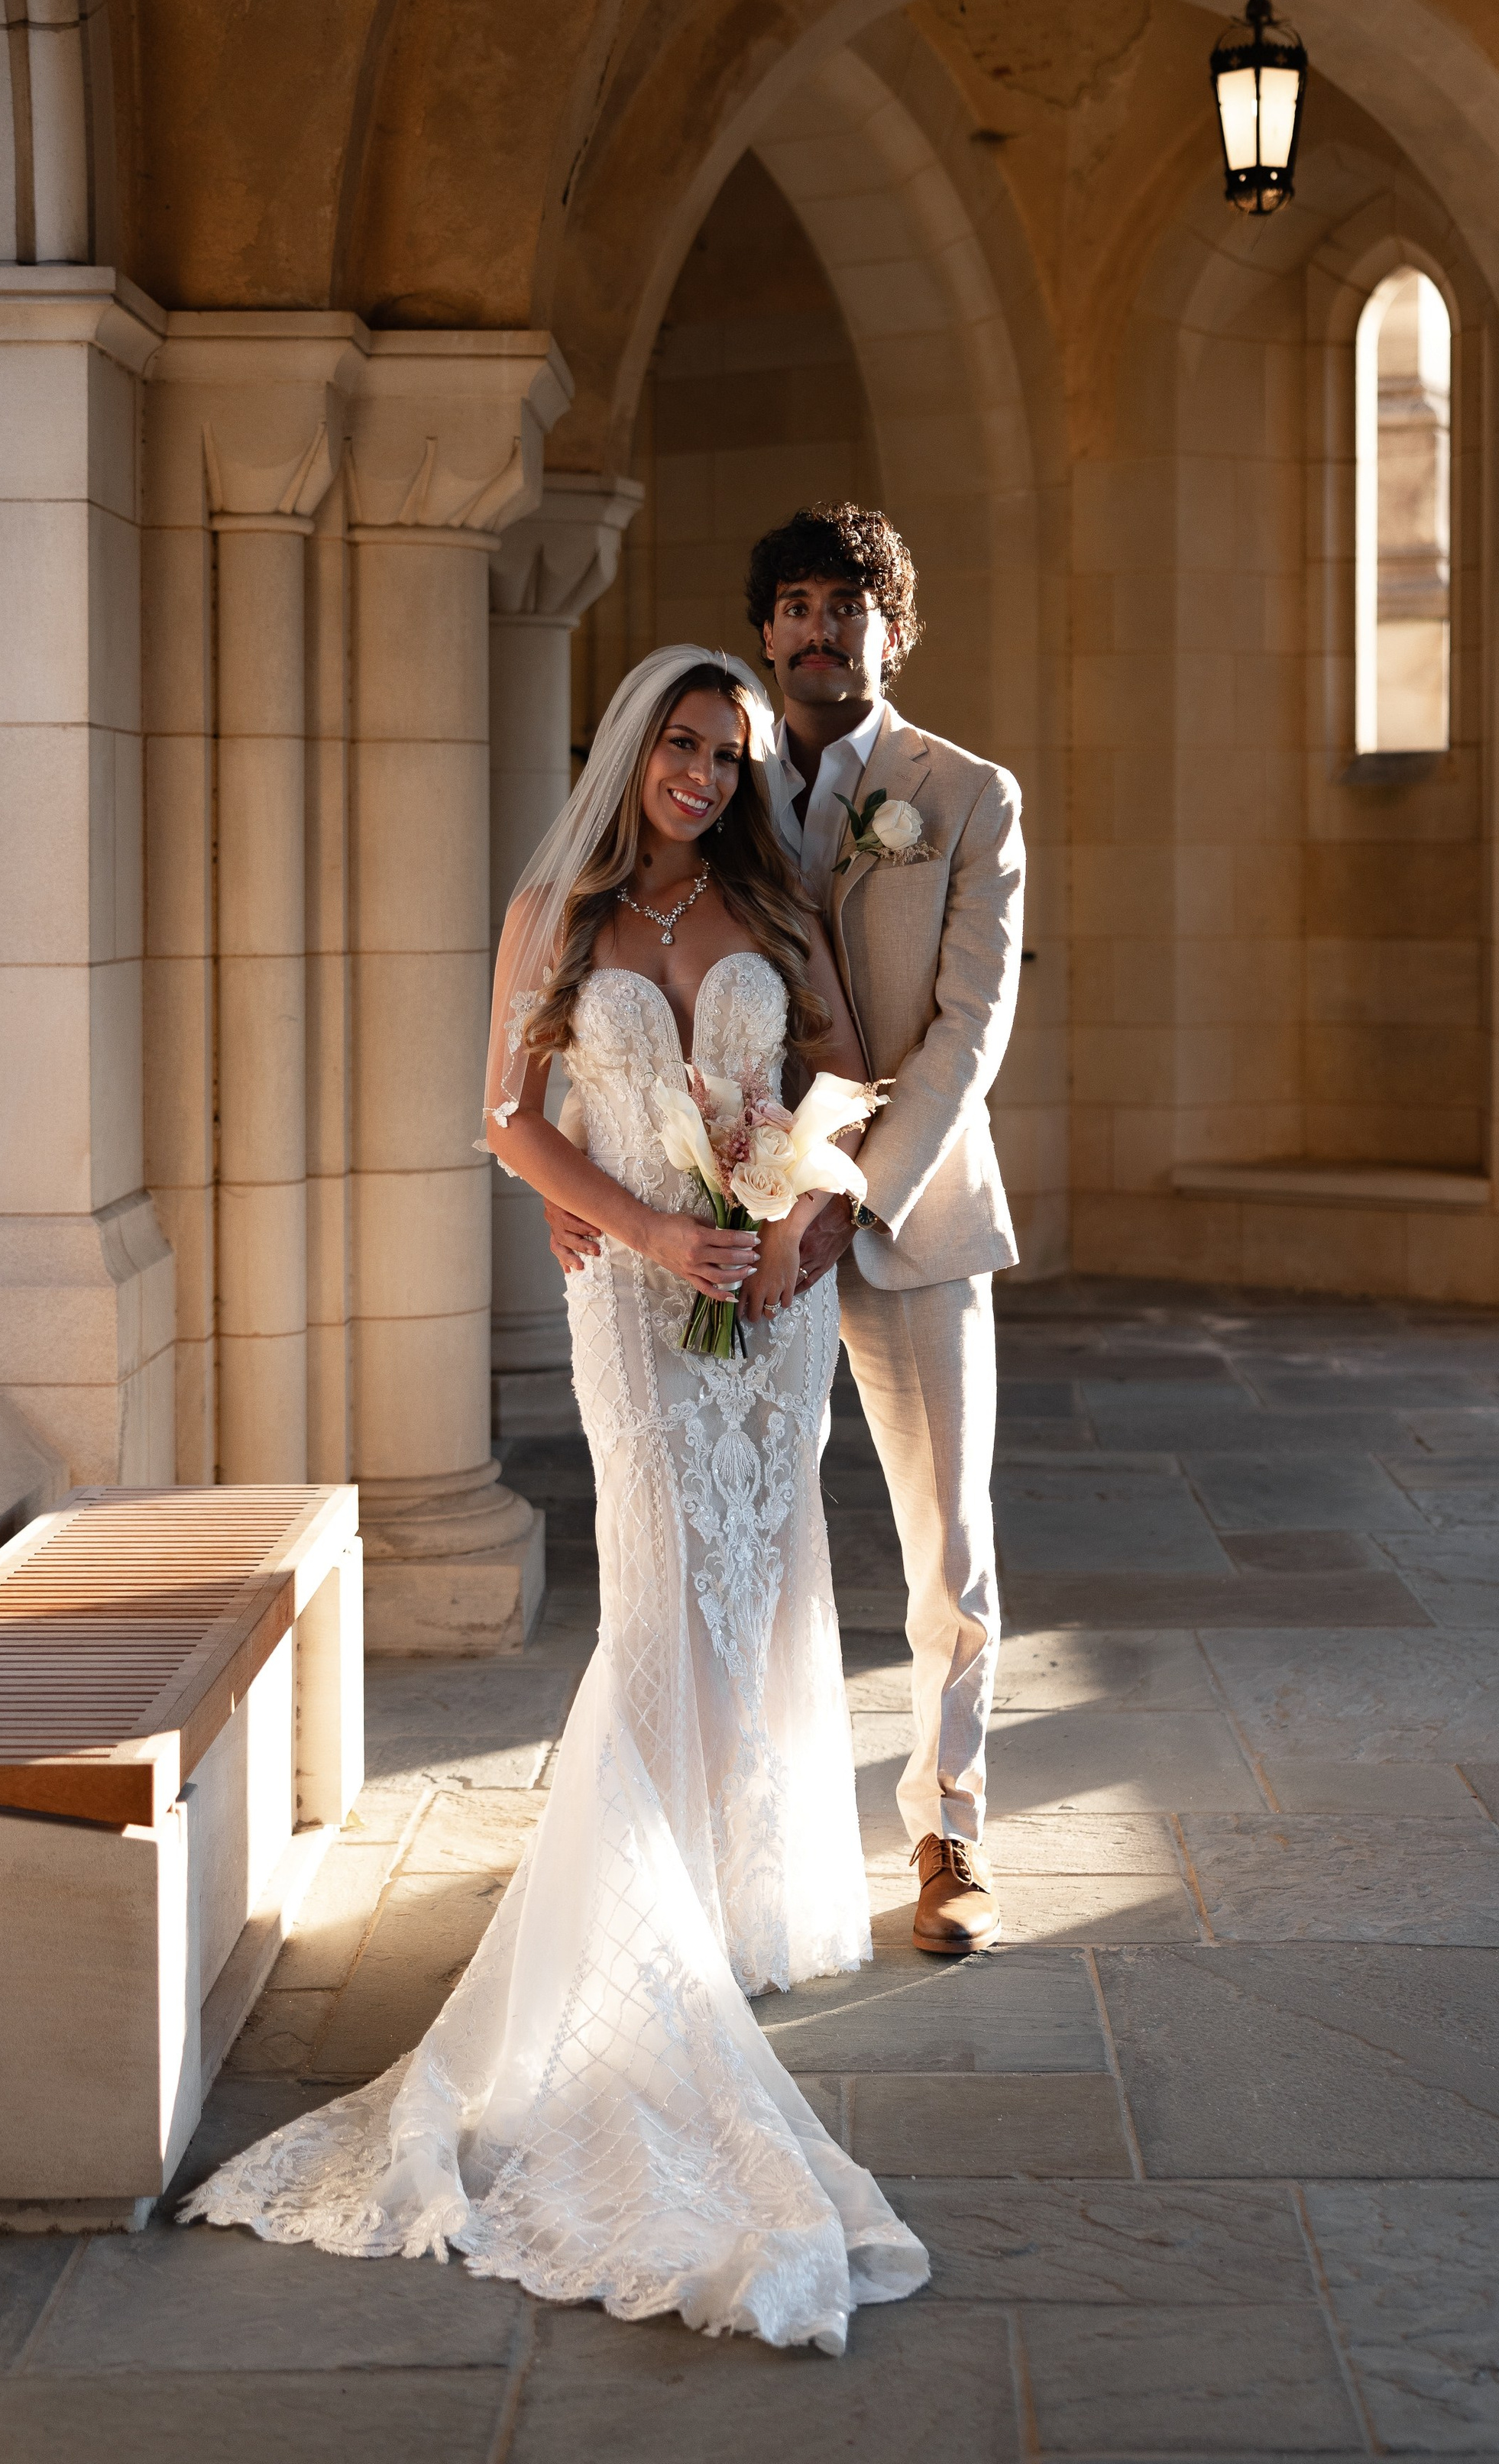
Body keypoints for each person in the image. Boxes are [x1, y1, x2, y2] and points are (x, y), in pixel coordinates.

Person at [181, 644, 928, 2354]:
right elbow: (509, 1117)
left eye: (725, 756)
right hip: (640, 1307)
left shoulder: (776, 903)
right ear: (627, 748)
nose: (701, 776)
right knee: (666, 1596)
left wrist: (804, 1211)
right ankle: (632, 1951)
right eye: (680, 744)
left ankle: (723, 1902)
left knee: (753, 1589)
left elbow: (841, 1081)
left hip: (770, 1312)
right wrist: (654, 1224)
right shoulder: (559, 917)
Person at [550, 506, 1023, 1955]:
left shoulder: (966, 794)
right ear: (767, 631)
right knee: (742, 1548)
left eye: (851, 606)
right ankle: (725, 1840)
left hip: (907, 1218)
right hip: (728, 1244)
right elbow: (635, 972)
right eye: (799, 605)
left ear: (896, 627)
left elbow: (967, 1028)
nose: (823, 629)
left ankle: (951, 1831)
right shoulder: (725, 776)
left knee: (947, 1542)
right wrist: (588, 1167)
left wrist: (849, 1195)